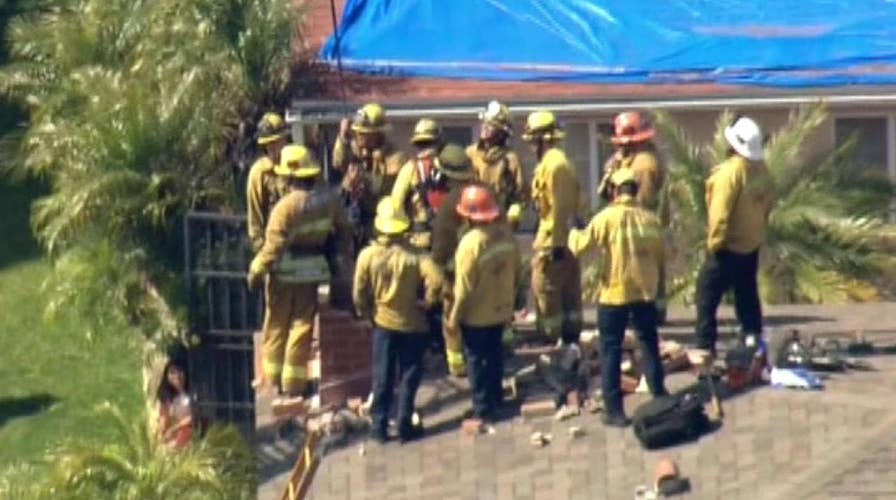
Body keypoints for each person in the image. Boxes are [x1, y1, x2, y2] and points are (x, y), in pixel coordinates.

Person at [247, 145, 352, 404]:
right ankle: (294, 384)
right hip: (312, 271)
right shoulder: (329, 201)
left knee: (277, 325)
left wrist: (257, 269)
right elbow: (343, 231)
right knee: (302, 326)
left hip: (283, 274)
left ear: (290, 176)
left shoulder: (285, 208)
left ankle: (273, 381)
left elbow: (273, 248)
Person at [569, 168, 668, 427]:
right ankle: (660, 395)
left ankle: (615, 411)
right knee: (649, 343)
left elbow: (579, 247)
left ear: (614, 191)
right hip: (644, 293)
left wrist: (573, 230)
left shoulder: (606, 218)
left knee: (610, 349)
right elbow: (662, 257)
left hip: (615, 294)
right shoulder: (650, 219)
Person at [353, 198, 444, 443]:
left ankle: (379, 428)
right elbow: (437, 279)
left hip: (383, 324)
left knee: (382, 376)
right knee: (409, 374)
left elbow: (359, 293)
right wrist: (427, 302)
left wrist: (366, 313)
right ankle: (405, 424)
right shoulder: (416, 256)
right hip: (413, 324)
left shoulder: (367, 256)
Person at [695, 116, 774, 357]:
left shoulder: (729, 174)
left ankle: (705, 348)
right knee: (747, 296)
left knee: (706, 296)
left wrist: (715, 244)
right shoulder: (762, 172)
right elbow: (767, 206)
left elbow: (720, 213)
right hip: (751, 245)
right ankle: (753, 342)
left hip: (727, 246)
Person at [447, 185, 524, 422]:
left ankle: (483, 409)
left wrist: (453, 318)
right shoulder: (506, 236)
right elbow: (518, 272)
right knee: (495, 356)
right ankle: (496, 400)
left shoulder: (470, 244)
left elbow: (463, 288)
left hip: (477, 315)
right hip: (501, 310)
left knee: (477, 361)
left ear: (468, 216)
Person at [599, 111, 669, 323]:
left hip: (641, 230)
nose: (619, 147)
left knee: (643, 275)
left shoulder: (643, 165)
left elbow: (641, 202)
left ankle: (650, 317)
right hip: (641, 229)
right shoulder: (631, 160)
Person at [522, 110, 583, 346]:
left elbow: (561, 206)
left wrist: (555, 245)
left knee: (546, 292)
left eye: (532, 141)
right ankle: (567, 343)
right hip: (556, 239)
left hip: (553, 243)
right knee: (565, 295)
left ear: (542, 139)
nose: (530, 147)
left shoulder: (556, 165)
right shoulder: (550, 163)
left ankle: (551, 340)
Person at [427, 144, 480, 373]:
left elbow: (440, 250)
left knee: (452, 319)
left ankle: (457, 366)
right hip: (484, 271)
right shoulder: (483, 193)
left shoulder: (448, 206)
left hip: (455, 274)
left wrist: (434, 286)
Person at [332, 103, 406, 252]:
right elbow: (337, 163)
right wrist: (343, 138)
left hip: (380, 224)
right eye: (358, 133)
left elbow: (382, 186)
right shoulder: (354, 150)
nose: (359, 137)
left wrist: (363, 178)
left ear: (378, 134)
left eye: (365, 134)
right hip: (353, 221)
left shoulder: (395, 157)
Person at [466, 101, 527, 229]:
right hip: (471, 223)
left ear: (501, 133)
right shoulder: (470, 154)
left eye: (491, 125)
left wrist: (512, 217)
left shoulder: (510, 159)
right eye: (484, 123)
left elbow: (521, 196)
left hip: (499, 225)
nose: (485, 127)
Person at [391, 118, 445, 250]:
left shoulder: (409, 168)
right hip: (446, 237)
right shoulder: (450, 167)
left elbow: (395, 204)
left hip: (418, 237)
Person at [246, 112, 290, 252]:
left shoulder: (296, 166)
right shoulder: (259, 173)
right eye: (268, 144)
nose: (271, 148)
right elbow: (255, 219)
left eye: (276, 142)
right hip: (273, 247)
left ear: (285, 139)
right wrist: (262, 250)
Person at [157, 360, 194, 449]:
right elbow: (164, 417)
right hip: (176, 431)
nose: (177, 376)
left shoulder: (193, 393)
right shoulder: (167, 396)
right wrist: (163, 433)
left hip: (191, 429)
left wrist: (175, 428)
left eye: (180, 371)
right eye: (172, 372)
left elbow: (194, 415)